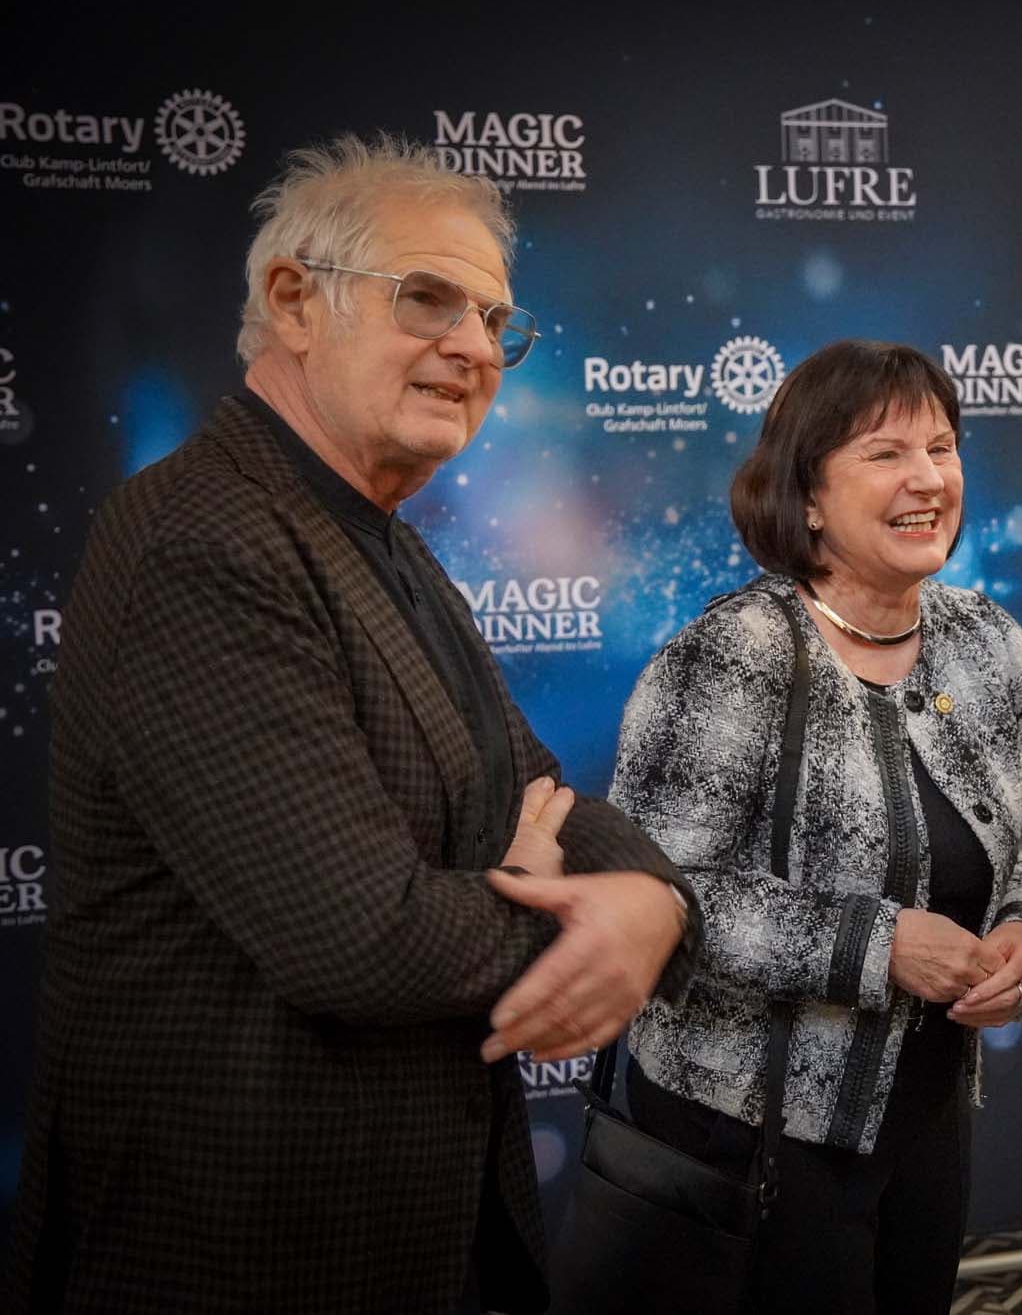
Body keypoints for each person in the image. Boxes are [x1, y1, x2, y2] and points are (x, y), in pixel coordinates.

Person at [7, 135, 700, 1315]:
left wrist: (648, 900)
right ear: (293, 302)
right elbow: (361, 934)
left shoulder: (383, 542)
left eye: (495, 321)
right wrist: (581, 922)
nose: (474, 346)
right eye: (427, 298)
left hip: (412, 1230)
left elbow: (541, 793)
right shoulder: (202, 536)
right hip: (238, 1248)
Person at [609, 338, 1022, 1314]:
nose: (927, 478)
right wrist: (877, 944)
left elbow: (1020, 847)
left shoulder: (989, 644)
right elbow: (658, 898)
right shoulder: (732, 656)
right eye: (885, 453)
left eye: (941, 448)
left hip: (927, 1114)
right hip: (752, 1133)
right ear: (808, 495)